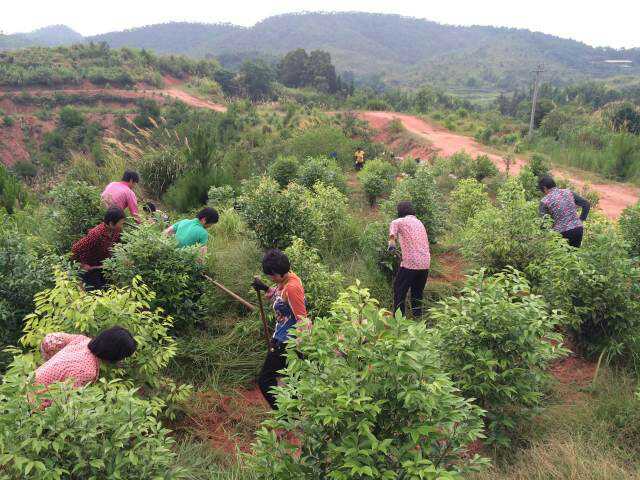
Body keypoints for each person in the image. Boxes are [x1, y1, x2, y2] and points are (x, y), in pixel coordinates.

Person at [251, 249, 308, 409]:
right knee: (291, 380)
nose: (270, 277)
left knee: (265, 380)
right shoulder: (288, 277)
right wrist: (265, 288)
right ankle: (293, 416)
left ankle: (285, 416)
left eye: (271, 275)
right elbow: (281, 299)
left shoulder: (292, 287)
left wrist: (298, 347)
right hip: (281, 337)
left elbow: (303, 320)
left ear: (278, 273)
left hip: (287, 342)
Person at [35, 326, 137, 389]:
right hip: (34, 405)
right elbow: (66, 403)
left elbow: (51, 338)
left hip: (28, 385)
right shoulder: (87, 371)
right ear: (114, 353)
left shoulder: (82, 340)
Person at [388, 201, 431, 318]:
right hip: (425, 263)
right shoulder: (419, 222)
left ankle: (399, 321)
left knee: (399, 290)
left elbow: (392, 236)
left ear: (400, 211)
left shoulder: (398, 221)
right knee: (417, 293)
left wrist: (391, 246)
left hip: (411, 262)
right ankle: (418, 320)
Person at [71, 207, 125, 290]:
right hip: (90, 269)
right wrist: (82, 265)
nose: (122, 226)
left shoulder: (116, 231)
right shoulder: (96, 235)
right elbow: (76, 249)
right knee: (93, 292)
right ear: (111, 224)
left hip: (103, 266)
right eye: (121, 223)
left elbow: (118, 246)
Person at [538, 176, 591, 248]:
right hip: (578, 229)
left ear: (544, 188)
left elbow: (544, 223)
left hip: (561, 233)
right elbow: (586, 204)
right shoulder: (568, 192)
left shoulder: (545, 201)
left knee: (561, 257)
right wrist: (581, 220)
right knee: (574, 256)